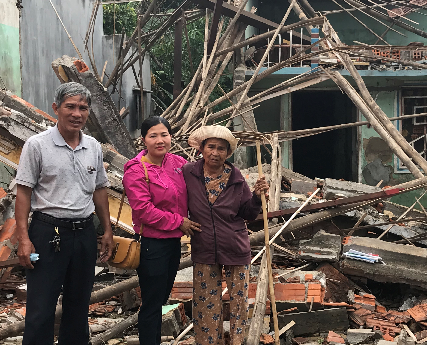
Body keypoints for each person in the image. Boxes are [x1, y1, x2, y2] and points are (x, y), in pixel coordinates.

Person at [15, 82, 114, 345]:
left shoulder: (93, 146)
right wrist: (24, 239)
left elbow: (100, 189)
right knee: (41, 307)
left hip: (83, 234)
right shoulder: (37, 145)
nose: (77, 113)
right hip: (46, 235)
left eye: (83, 108)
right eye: (70, 106)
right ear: (56, 108)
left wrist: (107, 230)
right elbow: (23, 193)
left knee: (79, 306)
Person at [184, 125, 269, 345]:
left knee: (238, 303)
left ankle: (238, 341)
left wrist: (258, 198)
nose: (215, 152)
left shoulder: (237, 179)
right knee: (204, 305)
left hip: (235, 247)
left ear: (228, 153)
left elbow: (248, 213)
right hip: (203, 248)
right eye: (211, 147)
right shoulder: (188, 173)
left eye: (221, 148)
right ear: (201, 149)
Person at [123, 116, 201, 345]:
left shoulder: (177, 163)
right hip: (152, 245)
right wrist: (180, 222)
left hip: (173, 243)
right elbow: (144, 210)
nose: (160, 140)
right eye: (153, 135)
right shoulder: (136, 170)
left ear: (170, 137)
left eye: (164, 134)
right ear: (143, 140)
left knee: (162, 298)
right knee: (152, 302)